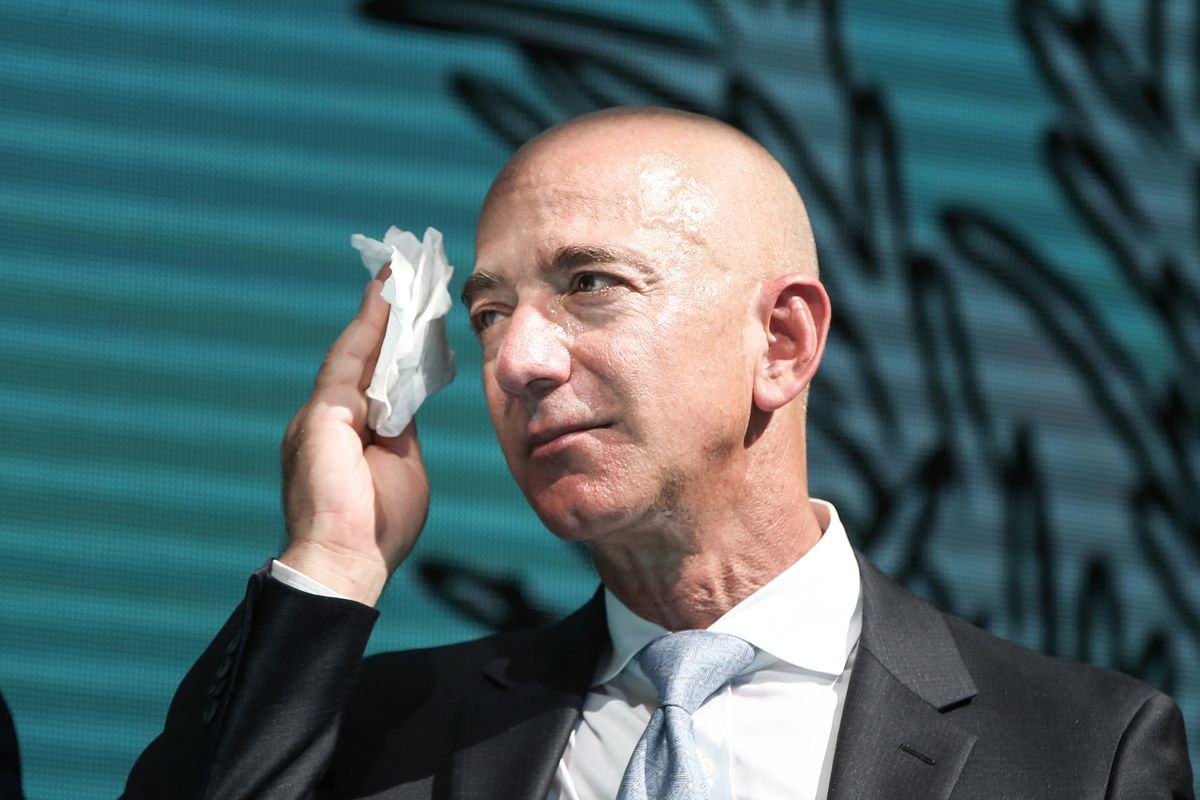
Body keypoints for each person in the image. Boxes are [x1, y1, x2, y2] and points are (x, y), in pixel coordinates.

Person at [122, 107, 1193, 799]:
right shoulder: (381, 732)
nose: (517, 361)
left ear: (782, 342)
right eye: (488, 313)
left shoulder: (1077, 752)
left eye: (590, 284)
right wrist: (332, 562)